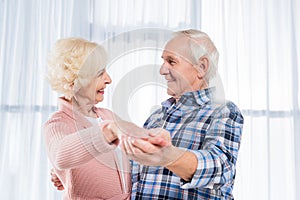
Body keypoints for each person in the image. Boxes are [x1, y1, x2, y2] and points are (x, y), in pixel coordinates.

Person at [51, 29, 244, 199]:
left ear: (201, 67)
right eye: (163, 61)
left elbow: (221, 168)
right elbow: (128, 172)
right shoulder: (156, 118)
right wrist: (76, 172)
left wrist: (169, 157)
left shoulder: (223, 111)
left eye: (171, 61)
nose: (162, 70)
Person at [44, 38, 133, 199]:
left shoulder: (108, 116)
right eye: (100, 73)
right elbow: (60, 155)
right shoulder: (57, 124)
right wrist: (107, 133)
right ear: (75, 81)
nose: (109, 79)